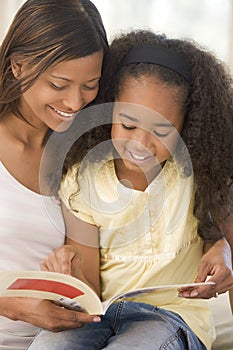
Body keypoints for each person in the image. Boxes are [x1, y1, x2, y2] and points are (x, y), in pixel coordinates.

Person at [28, 29, 233, 350]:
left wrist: (224, 253)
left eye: (161, 130)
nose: (140, 143)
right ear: (109, 111)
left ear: (187, 126)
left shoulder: (202, 176)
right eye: (128, 124)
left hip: (171, 317)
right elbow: (89, 292)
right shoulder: (84, 179)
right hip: (99, 316)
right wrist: (71, 270)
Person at [0, 0, 108, 348]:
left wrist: (72, 278)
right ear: (18, 66)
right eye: (59, 84)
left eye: (90, 85)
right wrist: (11, 304)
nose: (76, 103)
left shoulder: (80, 155)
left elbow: (88, 288)